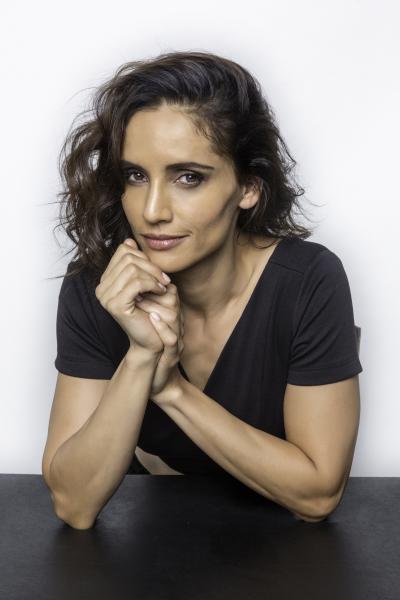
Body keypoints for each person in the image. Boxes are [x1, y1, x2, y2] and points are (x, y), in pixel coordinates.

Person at [42, 50, 362, 529]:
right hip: (153, 530)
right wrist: (142, 356)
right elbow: (74, 505)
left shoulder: (308, 281)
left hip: (279, 540)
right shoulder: (98, 287)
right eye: (135, 176)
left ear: (249, 187)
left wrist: (171, 390)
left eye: (188, 177)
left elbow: (317, 495)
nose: (152, 210)